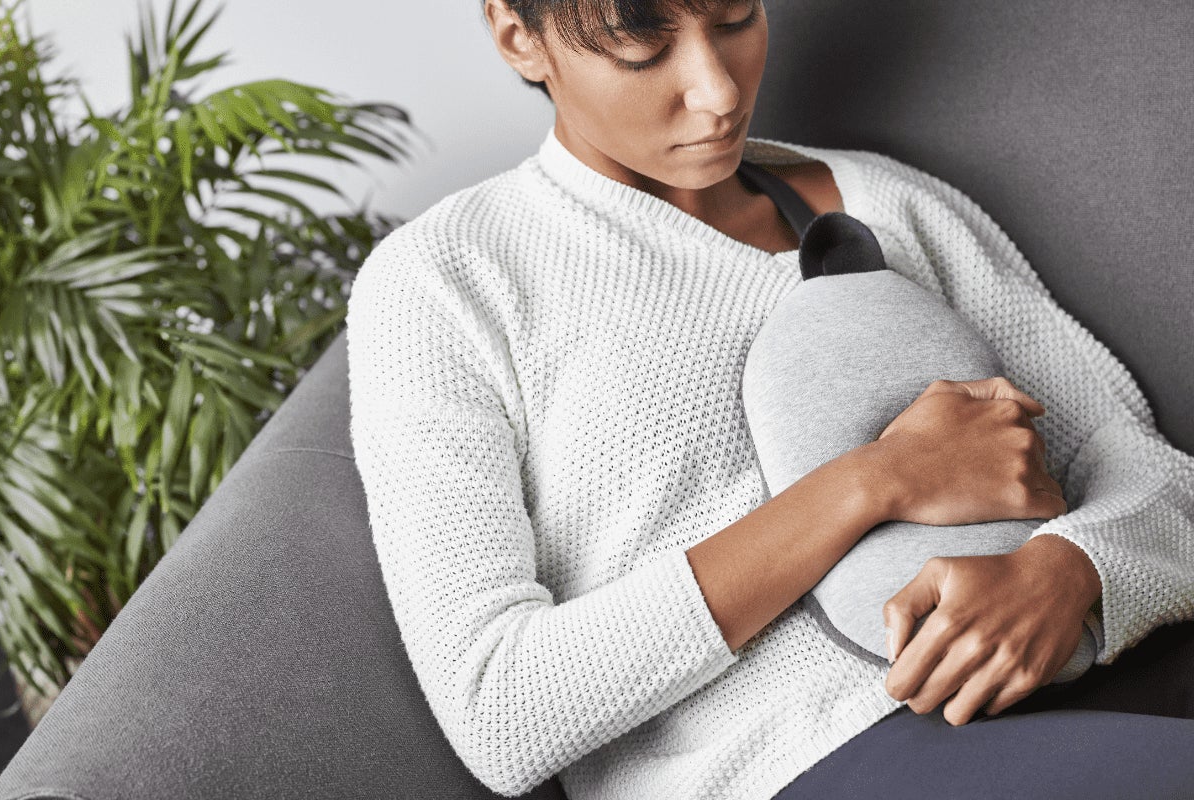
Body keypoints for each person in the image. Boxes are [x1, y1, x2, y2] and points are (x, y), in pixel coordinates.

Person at [343, 0, 1194, 798]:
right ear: (517, 34)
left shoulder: (885, 203)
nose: (718, 92)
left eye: (735, 17)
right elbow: (500, 708)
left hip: (1097, 681)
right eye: (643, 51)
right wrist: (878, 479)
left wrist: (1071, 573)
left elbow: (1150, 470)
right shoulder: (445, 281)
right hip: (799, 760)